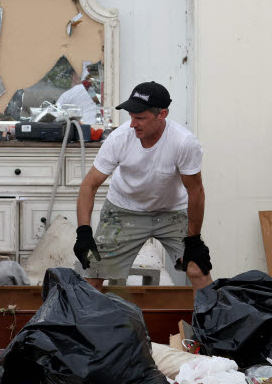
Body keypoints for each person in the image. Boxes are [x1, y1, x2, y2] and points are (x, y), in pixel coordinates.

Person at [73, 81, 212, 290]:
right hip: (123, 211)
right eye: (131, 117)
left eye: (140, 118)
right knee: (92, 272)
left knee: (197, 269)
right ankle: (84, 322)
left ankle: (210, 323)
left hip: (171, 213)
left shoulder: (183, 142)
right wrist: (83, 232)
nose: (132, 124)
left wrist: (194, 239)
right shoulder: (119, 138)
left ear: (162, 114)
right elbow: (89, 186)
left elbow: (196, 192)